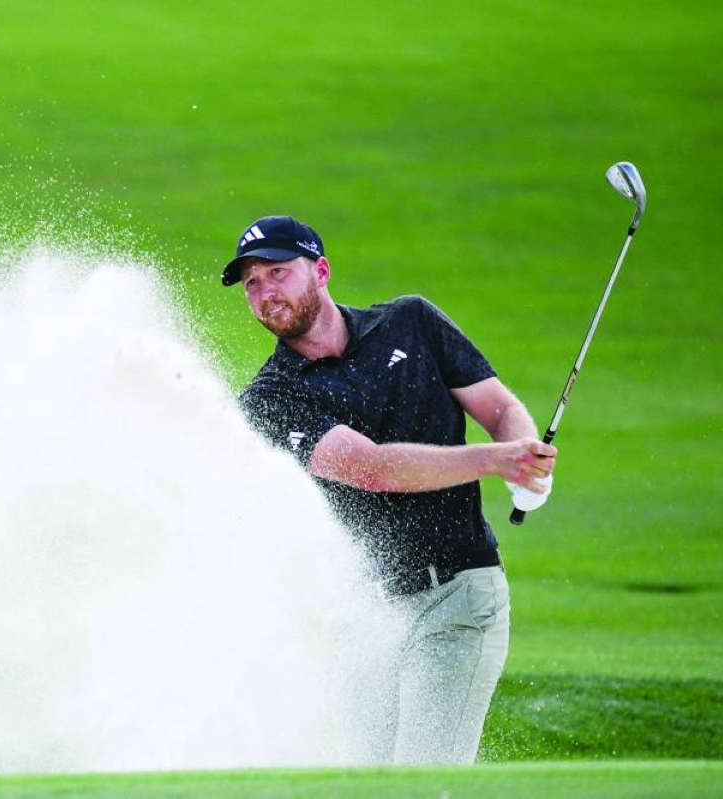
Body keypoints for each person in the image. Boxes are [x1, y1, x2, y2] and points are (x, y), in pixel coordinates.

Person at [223, 215, 556, 764]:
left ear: (321, 271)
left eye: (277, 273)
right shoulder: (268, 398)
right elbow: (371, 469)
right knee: (362, 780)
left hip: (456, 599)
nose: (264, 294)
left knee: (425, 777)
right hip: (363, 620)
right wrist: (498, 462)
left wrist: (527, 464)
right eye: (252, 284)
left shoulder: (412, 323)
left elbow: (499, 409)